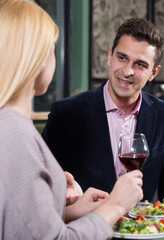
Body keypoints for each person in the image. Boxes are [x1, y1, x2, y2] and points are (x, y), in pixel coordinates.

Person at [42, 18, 164, 206]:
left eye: (140, 65)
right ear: (110, 56)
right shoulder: (67, 113)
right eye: (122, 58)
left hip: (146, 229)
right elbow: (46, 182)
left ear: (154, 72)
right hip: (88, 227)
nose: (127, 71)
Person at [0, 0, 143, 239]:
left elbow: (19, 221)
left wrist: (69, 209)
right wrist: (116, 205)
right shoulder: (15, 135)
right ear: (36, 58)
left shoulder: (10, 126)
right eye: (52, 49)